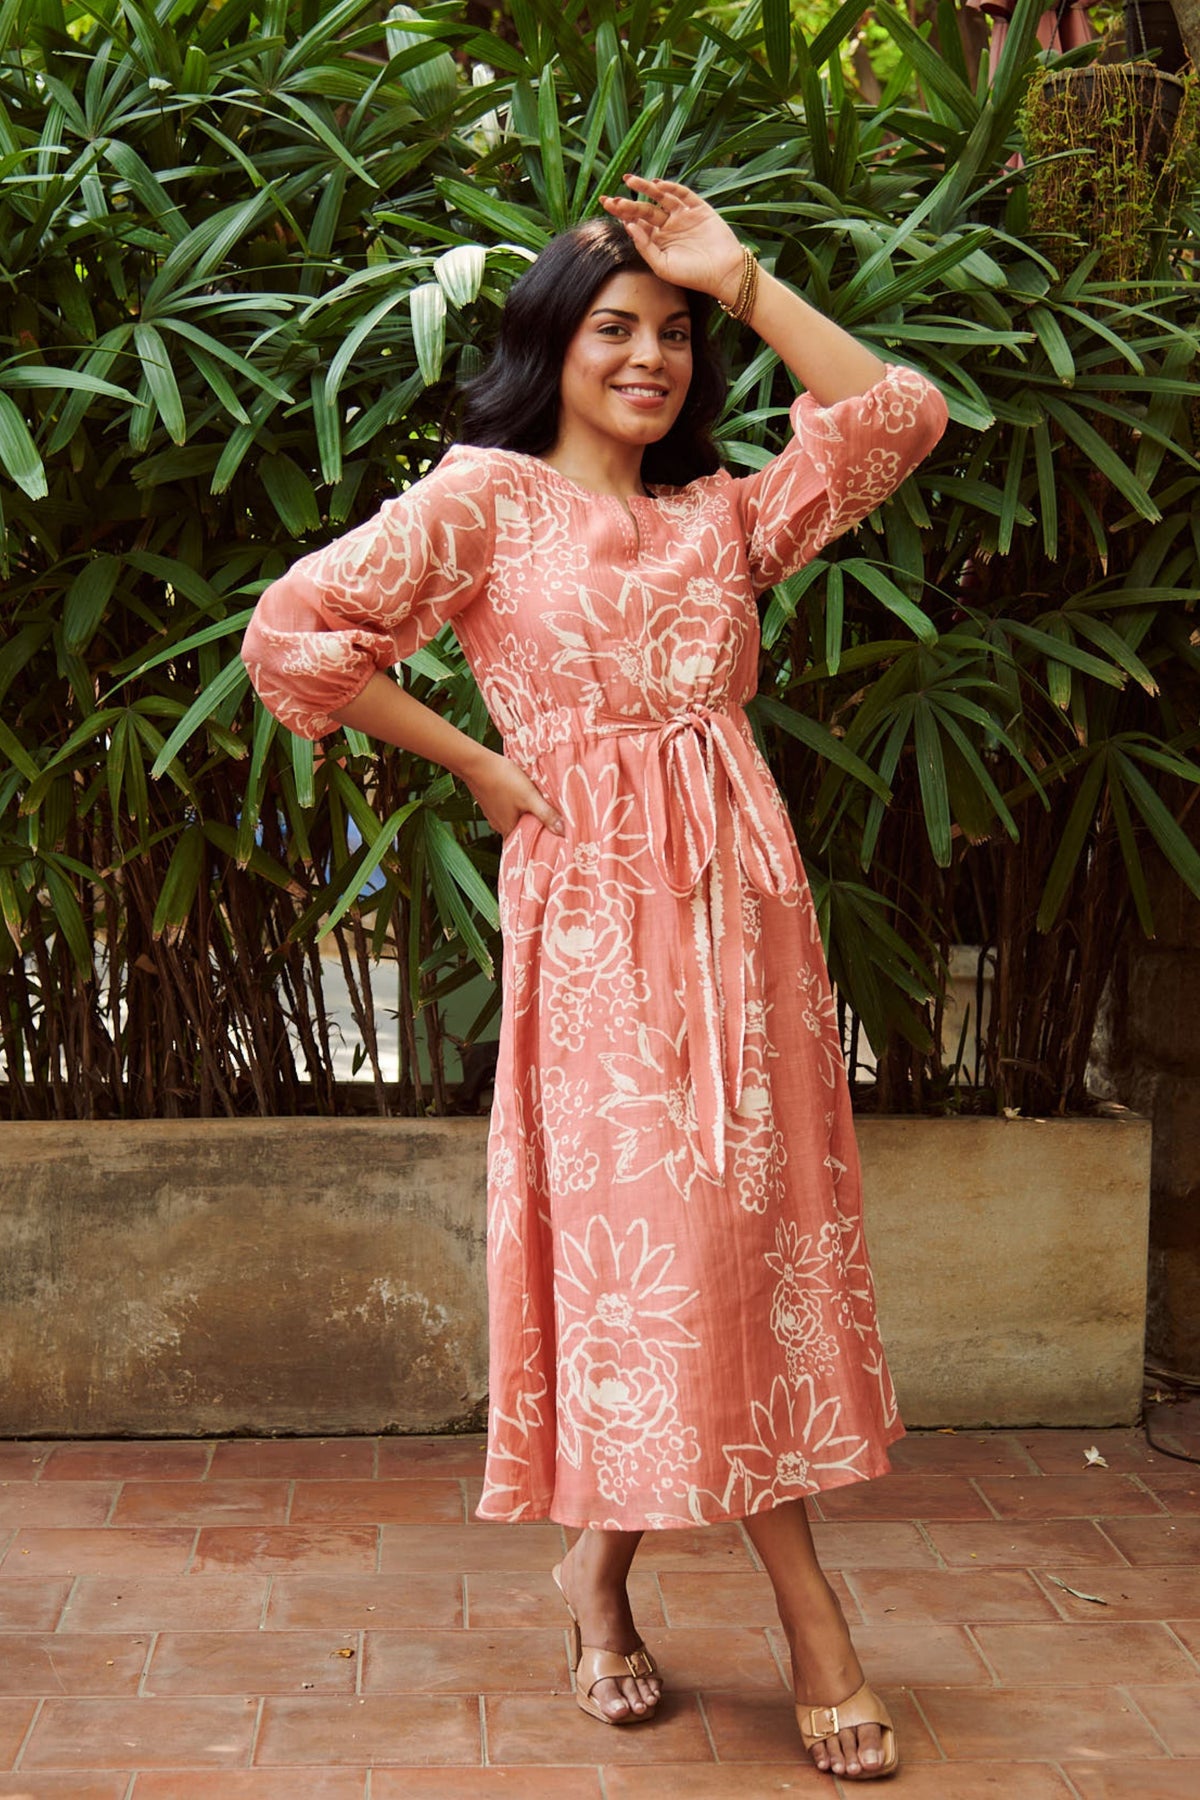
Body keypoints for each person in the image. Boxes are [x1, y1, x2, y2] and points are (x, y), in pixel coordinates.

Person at [242, 174, 948, 1782]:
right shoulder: (480, 502)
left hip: (750, 918)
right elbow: (296, 634)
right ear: (552, 343)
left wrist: (746, 278)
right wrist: (483, 765)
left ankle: (599, 1577)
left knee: (744, 1247)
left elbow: (900, 417)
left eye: (676, 337)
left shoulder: (726, 516)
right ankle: (814, 1627)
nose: (653, 358)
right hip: (597, 918)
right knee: (679, 1240)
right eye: (617, 328)